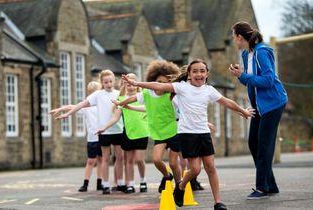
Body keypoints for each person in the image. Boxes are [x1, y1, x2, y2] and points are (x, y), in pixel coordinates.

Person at [122, 59, 254, 210]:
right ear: (189, 74)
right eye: (195, 71)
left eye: (202, 71)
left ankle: (218, 202)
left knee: (211, 167)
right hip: (187, 134)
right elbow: (158, 85)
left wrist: (243, 111)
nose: (199, 74)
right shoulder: (181, 87)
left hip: (203, 134)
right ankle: (181, 186)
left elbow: (227, 102)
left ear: (207, 74)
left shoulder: (209, 90)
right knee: (196, 170)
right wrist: (136, 84)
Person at [229, 21, 288, 200]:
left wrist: (244, 76)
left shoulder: (262, 52)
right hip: (258, 106)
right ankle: (271, 185)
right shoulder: (246, 53)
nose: (234, 40)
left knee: (263, 145)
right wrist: (241, 76)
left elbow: (268, 80)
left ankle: (261, 188)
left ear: (239, 37)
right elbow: (251, 81)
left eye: (234, 37)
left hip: (272, 104)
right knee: (253, 143)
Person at [50, 69, 125, 194]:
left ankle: (121, 183)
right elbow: (80, 105)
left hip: (117, 130)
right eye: (106, 82)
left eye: (110, 81)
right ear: (102, 83)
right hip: (104, 132)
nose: (108, 84)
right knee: (105, 159)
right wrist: (66, 113)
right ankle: (105, 185)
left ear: (114, 81)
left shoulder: (119, 94)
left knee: (120, 158)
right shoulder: (98, 95)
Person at [114, 60, 182, 194]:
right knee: (156, 160)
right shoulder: (147, 94)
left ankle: (179, 187)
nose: (161, 85)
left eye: (165, 83)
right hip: (159, 132)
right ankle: (167, 176)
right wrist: (121, 103)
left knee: (174, 163)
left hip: (174, 131)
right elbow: (133, 98)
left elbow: (186, 111)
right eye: (159, 82)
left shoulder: (172, 96)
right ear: (152, 81)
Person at [97, 73, 149, 193]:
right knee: (128, 160)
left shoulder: (143, 97)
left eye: (132, 84)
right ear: (124, 86)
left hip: (142, 132)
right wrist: (104, 128)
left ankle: (143, 181)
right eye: (127, 84)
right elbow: (115, 118)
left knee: (140, 159)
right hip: (128, 133)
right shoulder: (121, 100)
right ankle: (130, 184)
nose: (130, 87)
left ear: (136, 84)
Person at [77, 81, 103, 192]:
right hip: (92, 138)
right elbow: (76, 107)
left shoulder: (102, 105)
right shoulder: (86, 107)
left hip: (103, 137)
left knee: (102, 161)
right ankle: (85, 183)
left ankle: (100, 182)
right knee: (90, 161)